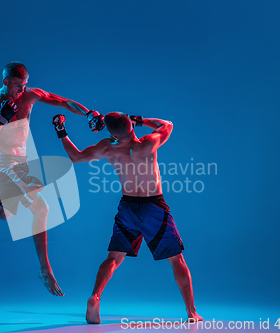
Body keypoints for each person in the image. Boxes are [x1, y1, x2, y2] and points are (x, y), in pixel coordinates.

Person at [0, 62, 104, 297]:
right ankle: (45, 270)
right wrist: (1, 119)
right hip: (4, 162)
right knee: (41, 206)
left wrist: (88, 112)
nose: (21, 90)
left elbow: (63, 102)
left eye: (24, 85)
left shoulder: (29, 95)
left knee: (3, 214)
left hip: (23, 163)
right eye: (17, 85)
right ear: (5, 82)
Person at [52, 112, 202, 323]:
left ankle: (95, 297)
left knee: (114, 257)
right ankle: (191, 312)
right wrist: (141, 121)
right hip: (154, 207)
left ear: (111, 132)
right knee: (176, 260)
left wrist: (61, 131)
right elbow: (167, 124)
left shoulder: (107, 147)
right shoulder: (148, 142)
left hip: (128, 208)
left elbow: (76, 157)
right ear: (131, 126)